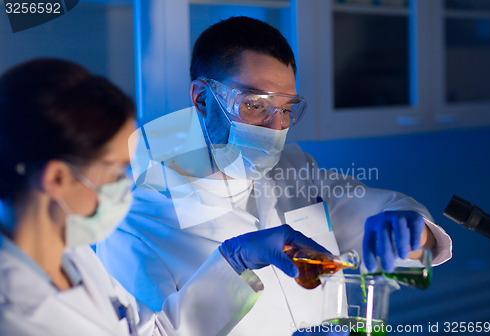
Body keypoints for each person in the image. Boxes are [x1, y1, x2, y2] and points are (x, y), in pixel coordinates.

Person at [97, 17, 453, 335]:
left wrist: (411, 228)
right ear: (202, 99)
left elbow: (387, 217)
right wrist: (228, 265)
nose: (275, 128)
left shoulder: (294, 169)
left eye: (285, 109)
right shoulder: (133, 225)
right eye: (254, 105)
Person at [0, 58, 339, 336]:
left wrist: (235, 258)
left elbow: (155, 334)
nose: (126, 185)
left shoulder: (72, 258)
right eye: (116, 173)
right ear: (57, 178)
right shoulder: (14, 316)